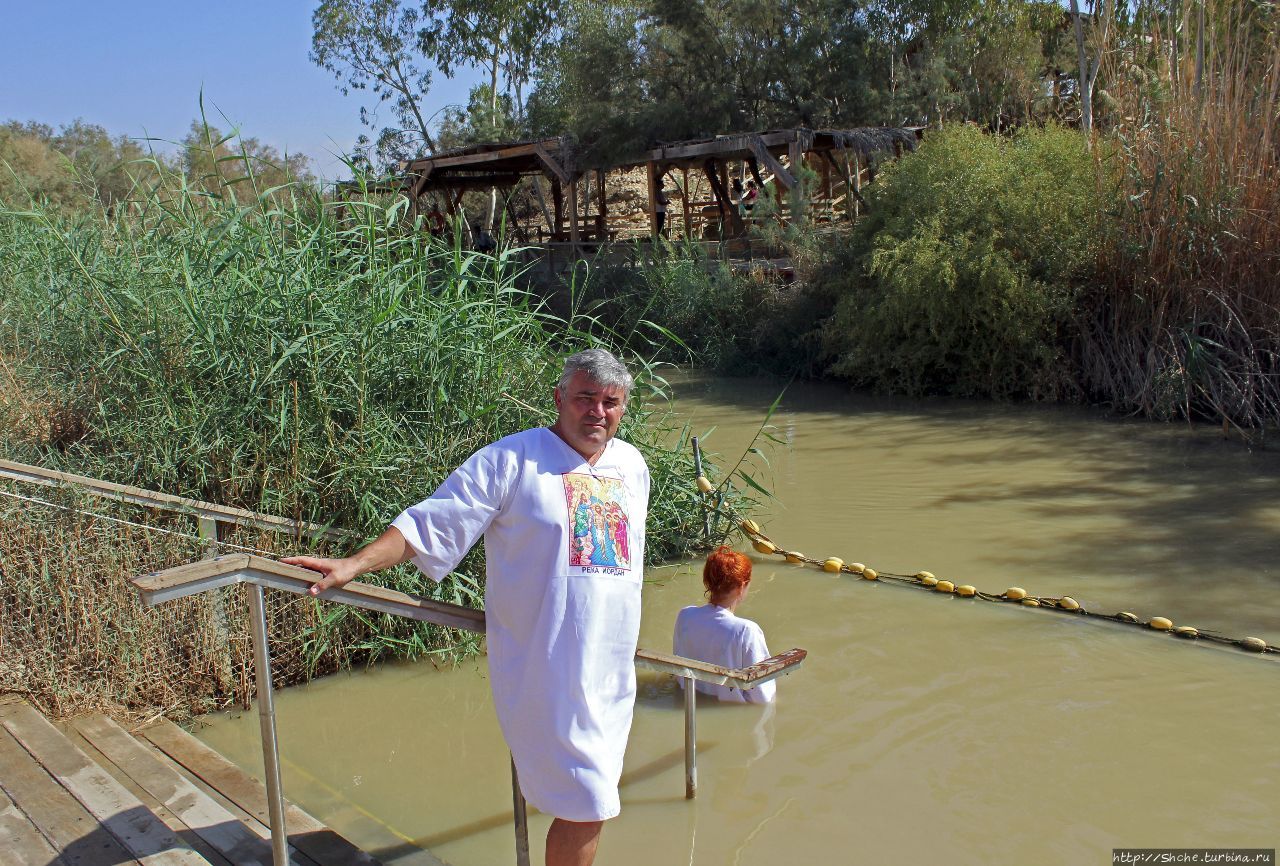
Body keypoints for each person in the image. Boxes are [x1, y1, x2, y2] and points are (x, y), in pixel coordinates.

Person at [283, 348, 650, 866]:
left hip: (611, 670)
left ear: (623, 409)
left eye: (610, 402)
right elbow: (431, 523)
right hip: (544, 668)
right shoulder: (512, 460)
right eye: (585, 398)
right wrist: (355, 564)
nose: (597, 412)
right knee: (590, 802)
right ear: (559, 399)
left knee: (591, 798)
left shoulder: (631, 466)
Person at [672, 546, 776, 704]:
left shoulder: (685, 616)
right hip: (732, 716)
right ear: (742, 586)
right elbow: (762, 695)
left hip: (690, 703)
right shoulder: (746, 630)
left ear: (707, 581)